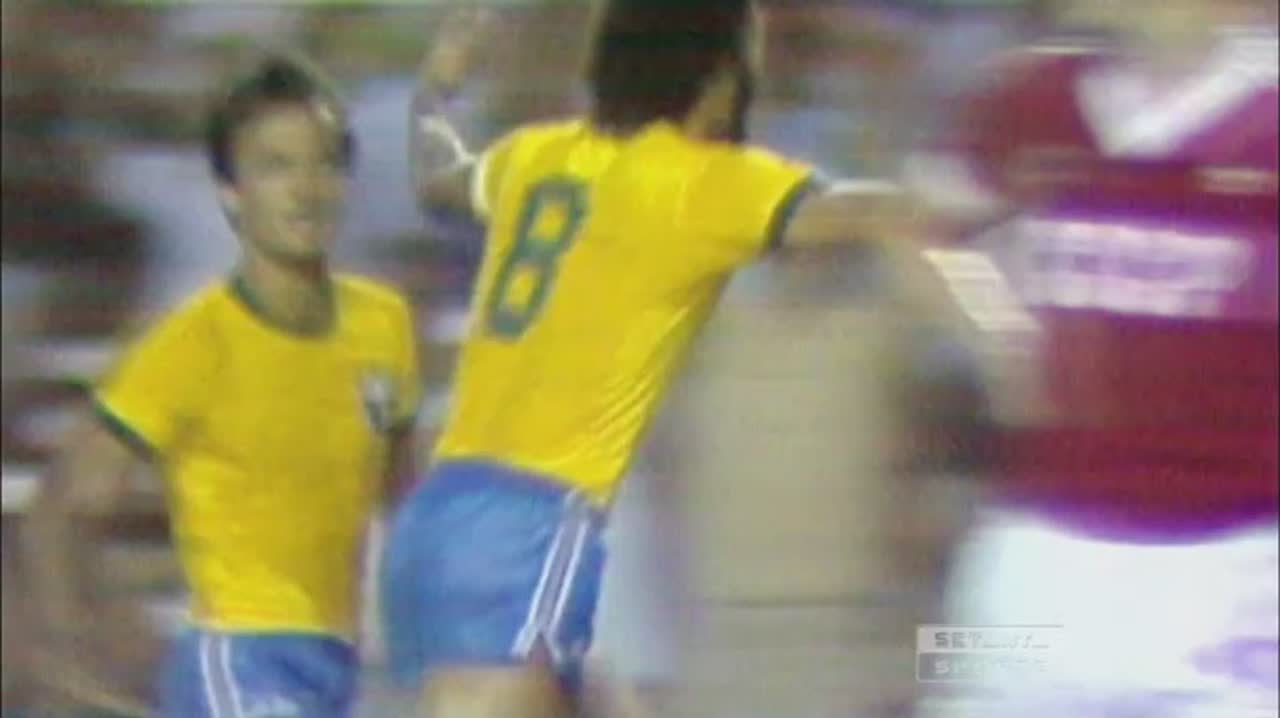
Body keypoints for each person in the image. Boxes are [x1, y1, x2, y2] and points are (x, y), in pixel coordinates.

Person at [381, 2, 965, 717]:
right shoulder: (700, 181)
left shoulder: (534, 155)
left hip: (442, 509)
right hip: (541, 517)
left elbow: (437, 176)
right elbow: (860, 211)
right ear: (715, 79)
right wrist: (954, 205)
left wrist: (435, 87)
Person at [23, 54, 422, 718]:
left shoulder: (385, 324)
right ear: (232, 193)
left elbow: (403, 497)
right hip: (237, 659)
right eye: (276, 167)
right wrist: (74, 652)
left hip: (338, 662)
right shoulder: (193, 344)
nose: (305, 189)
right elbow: (65, 506)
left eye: (323, 164)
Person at [909, 0, 1277, 714]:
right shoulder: (1030, 94)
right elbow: (914, 226)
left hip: (1231, 575)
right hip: (1031, 563)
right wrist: (995, 331)